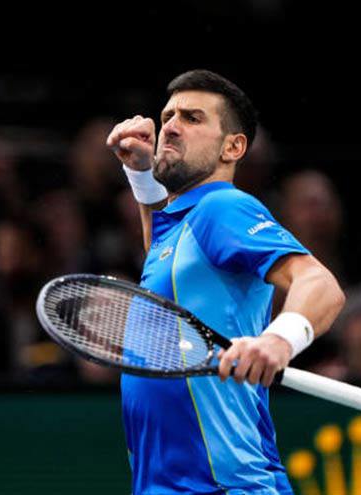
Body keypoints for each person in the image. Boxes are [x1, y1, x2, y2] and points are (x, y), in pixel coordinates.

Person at [106, 69, 345, 494]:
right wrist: (141, 174)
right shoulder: (184, 225)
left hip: (228, 486)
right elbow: (163, 250)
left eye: (192, 118)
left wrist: (279, 341)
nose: (170, 127)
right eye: (168, 116)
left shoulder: (222, 208)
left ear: (233, 147)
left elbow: (320, 283)